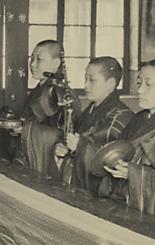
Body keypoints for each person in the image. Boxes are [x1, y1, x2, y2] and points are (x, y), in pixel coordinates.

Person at [94, 58, 155, 220]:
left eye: (148, 84)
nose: (140, 90)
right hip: (125, 200)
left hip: (152, 215)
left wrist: (134, 173)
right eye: (139, 83)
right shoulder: (138, 119)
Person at [54, 57, 134, 190]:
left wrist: (79, 145)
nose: (86, 85)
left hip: (101, 187)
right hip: (76, 178)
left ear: (111, 83)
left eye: (92, 80)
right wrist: (63, 148)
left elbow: (110, 157)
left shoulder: (122, 114)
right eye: (85, 79)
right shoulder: (90, 110)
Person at [12, 40, 64, 175]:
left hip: (46, 162)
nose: (32, 64)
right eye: (32, 59)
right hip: (30, 157)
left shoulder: (58, 93)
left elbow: (60, 134)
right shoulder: (39, 90)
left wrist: (25, 130)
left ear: (56, 64)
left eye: (39, 59)